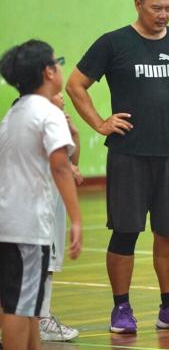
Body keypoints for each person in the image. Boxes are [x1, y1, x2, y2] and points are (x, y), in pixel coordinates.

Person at [66, 0, 169, 334]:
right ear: (138, 4)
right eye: (157, 8)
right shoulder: (114, 44)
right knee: (126, 232)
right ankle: (121, 309)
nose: (164, 15)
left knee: (168, 233)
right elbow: (76, 84)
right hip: (129, 155)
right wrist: (99, 122)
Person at [0, 40, 82, 350]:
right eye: (58, 62)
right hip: (28, 228)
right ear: (48, 72)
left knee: (27, 305)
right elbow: (61, 167)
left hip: (7, 224)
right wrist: (76, 219)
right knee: (20, 309)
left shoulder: (13, 115)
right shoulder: (48, 114)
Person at [38, 93, 84, 343]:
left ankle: (38, 319)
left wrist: (73, 132)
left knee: (47, 264)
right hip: (37, 206)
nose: (61, 95)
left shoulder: (56, 121)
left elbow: (71, 162)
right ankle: (40, 320)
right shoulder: (38, 119)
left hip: (52, 205)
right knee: (41, 264)